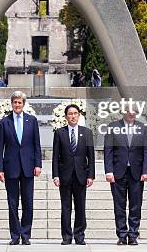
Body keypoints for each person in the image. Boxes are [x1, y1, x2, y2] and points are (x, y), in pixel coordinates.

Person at [0, 91, 42, 245]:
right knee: (12, 203)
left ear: (24, 104)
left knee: (28, 203)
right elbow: (0, 147)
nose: (17, 105)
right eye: (15, 102)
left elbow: (37, 144)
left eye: (19, 102)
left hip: (28, 167)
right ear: (12, 104)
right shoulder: (4, 122)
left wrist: (38, 164)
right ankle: (15, 235)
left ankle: (26, 234)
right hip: (11, 168)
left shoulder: (32, 121)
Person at [104, 109, 147, 245]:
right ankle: (122, 235)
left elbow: (146, 151)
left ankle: (133, 234)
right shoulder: (113, 127)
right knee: (119, 205)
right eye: (129, 111)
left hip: (136, 173)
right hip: (118, 172)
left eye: (134, 111)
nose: (132, 114)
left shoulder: (142, 127)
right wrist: (108, 171)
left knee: (135, 205)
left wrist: (146, 171)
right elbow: (108, 150)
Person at [52, 104, 95, 245]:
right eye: (70, 114)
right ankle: (66, 236)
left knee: (80, 207)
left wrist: (90, 175)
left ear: (79, 115)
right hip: (65, 176)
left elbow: (91, 156)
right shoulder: (59, 133)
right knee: (66, 207)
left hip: (81, 175)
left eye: (75, 113)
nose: (73, 116)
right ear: (65, 116)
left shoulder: (87, 133)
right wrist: (56, 175)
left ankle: (79, 235)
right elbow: (55, 156)